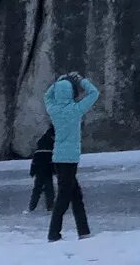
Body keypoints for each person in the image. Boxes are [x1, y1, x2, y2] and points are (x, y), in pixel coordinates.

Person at [43, 72, 99, 242]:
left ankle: (84, 231)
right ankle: (53, 234)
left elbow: (47, 96)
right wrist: (81, 80)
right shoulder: (75, 110)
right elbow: (94, 93)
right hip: (70, 159)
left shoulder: (54, 110)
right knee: (64, 197)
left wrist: (58, 82)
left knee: (76, 196)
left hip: (58, 158)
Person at [27, 124, 56, 213]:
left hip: (39, 171)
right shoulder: (51, 146)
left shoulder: (40, 146)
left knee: (37, 189)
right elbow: (52, 161)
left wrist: (32, 171)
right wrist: (55, 171)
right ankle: (50, 206)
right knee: (49, 189)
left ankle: (32, 207)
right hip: (47, 171)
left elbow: (34, 161)